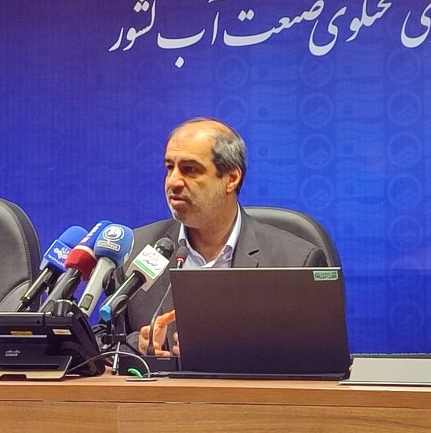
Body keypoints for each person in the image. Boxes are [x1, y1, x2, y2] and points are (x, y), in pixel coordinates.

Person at [123, 117, 327, 356]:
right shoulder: (136, 249)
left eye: (190, 169)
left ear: (231, 178)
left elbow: (318, 356)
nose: (173, 181)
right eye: (170, 167)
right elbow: (102, 341)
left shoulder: (295, 262)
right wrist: (137, 343)